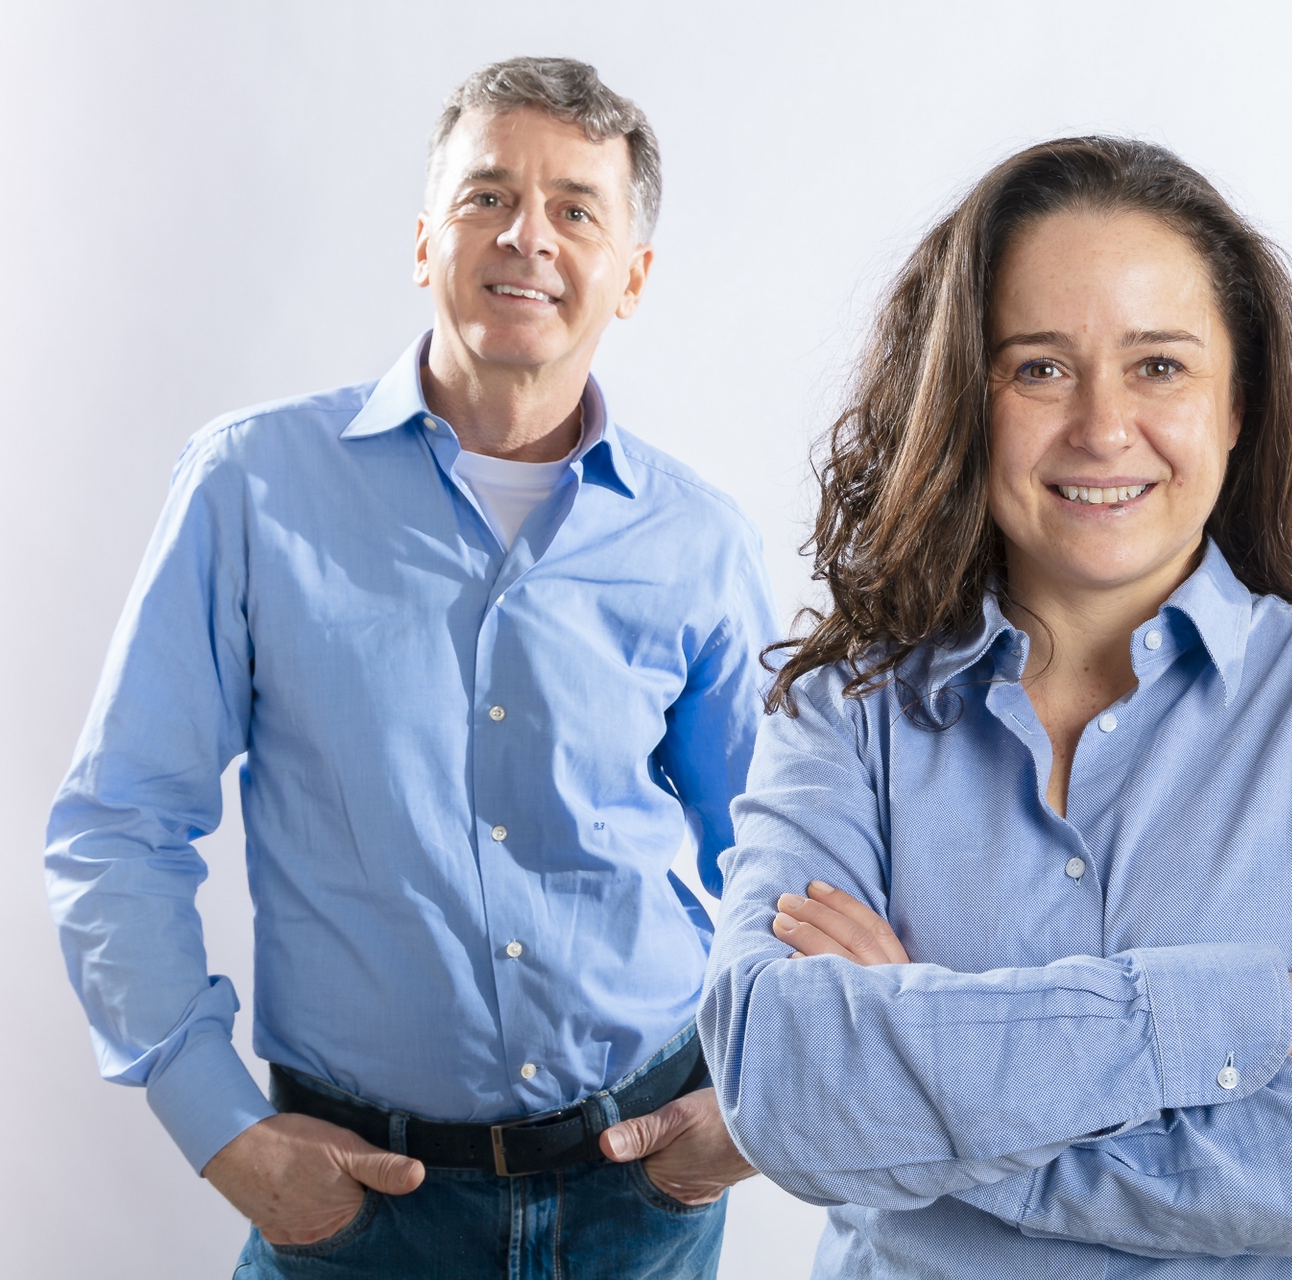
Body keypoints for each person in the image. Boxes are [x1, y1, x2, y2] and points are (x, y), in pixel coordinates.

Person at [699, 136, 1292, 1278]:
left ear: (1237, 404)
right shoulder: (845, 715)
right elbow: (779, 1083)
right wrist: (1233, 1013)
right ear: (964, 399)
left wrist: (935, 1130)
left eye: (1159, 367)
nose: (1101, 427)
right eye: (1040, 368)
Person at [46, 57, 768, 1278]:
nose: (527, 235)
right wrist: (220, 1127)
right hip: (357, 1209)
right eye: (488, 196)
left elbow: (776, 861)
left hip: (641, 1199)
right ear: (424, 238)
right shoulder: (251, 490)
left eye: (576, 209)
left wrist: (756, 1108)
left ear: (633, 276)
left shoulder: (699, 541)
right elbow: (118, 823)